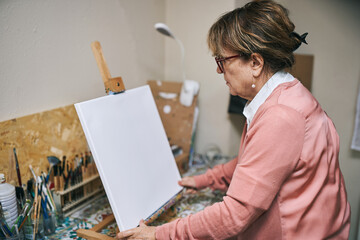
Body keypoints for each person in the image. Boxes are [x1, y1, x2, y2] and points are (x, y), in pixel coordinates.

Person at [117, 0, 351, 239]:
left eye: (223, 61)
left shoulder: (280, 116)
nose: (219, 70)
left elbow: (234, 215)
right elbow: (255, 163)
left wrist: (159, 234)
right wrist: (205, 179)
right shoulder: (289, 95)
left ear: (255, 63)